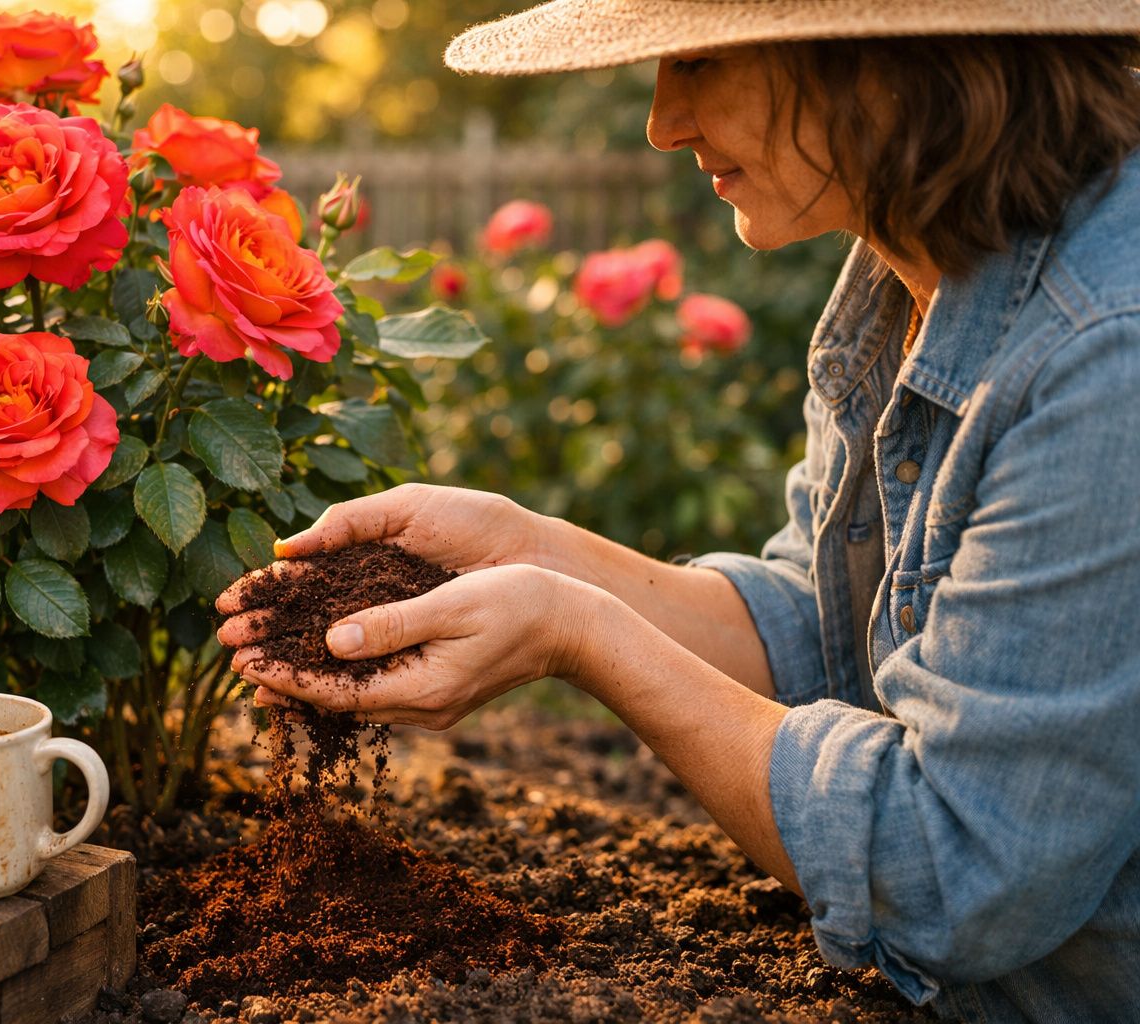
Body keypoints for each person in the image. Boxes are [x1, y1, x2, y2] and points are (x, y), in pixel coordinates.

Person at [216, 2, 1140, 1019]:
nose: (663, 123)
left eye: (697, 58)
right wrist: (535, 552)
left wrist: (576, 632)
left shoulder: (1106, 352)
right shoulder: (916, 267)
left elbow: (952, 870)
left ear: (883, 58)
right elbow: (827, 626)